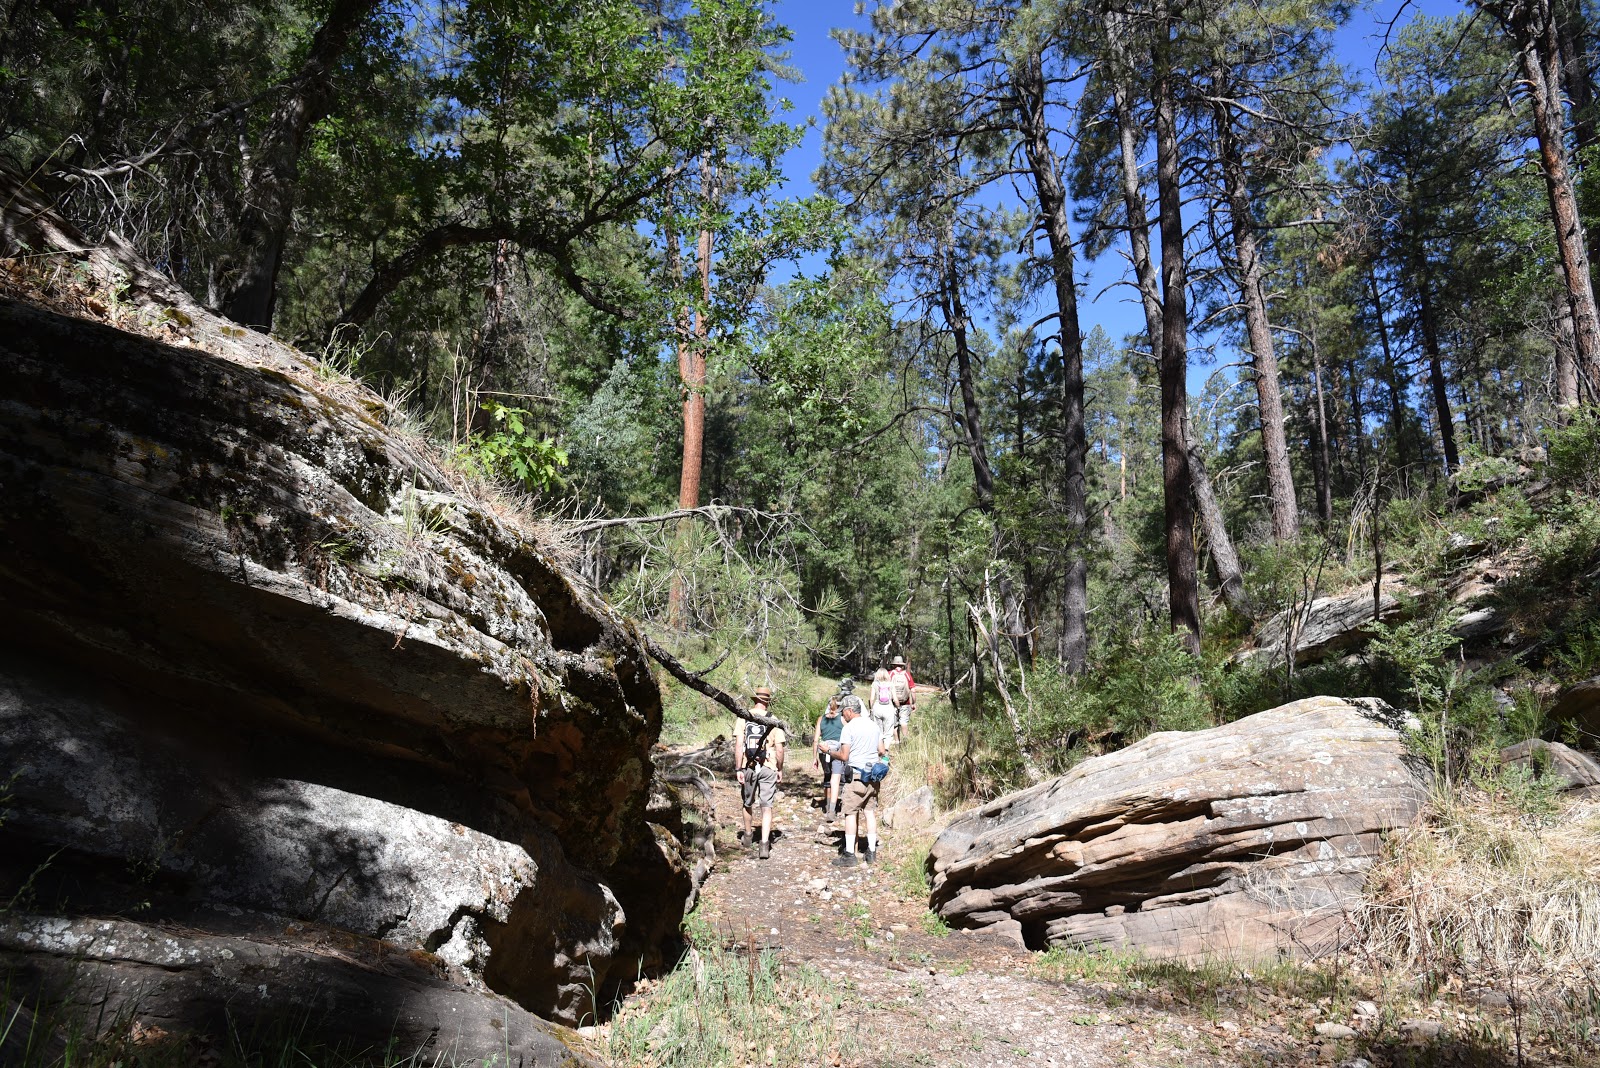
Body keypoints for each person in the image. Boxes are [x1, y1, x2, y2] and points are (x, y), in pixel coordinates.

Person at [831, 694, 885, 866]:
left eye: (843, 712)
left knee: (850, 813)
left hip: (855, 777)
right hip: (872, 777)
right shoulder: (874, 726)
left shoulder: (849, 728)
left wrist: (828, 751)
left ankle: (849, 854)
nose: (842, 715)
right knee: (869, 813)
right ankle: (871, 852)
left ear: (849, 711)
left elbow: (844, 755)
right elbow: (882, 750)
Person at [734, 686, 785, 860]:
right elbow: (779, 748)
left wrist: (738, 768)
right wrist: (780, 768)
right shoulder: (774, 720)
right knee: (766, 806)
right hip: (768, 766)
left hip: (748, 765)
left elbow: (739, 745)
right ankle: (764, 844)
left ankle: (748, 836)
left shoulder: (744, 717)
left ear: (754, 699)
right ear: (767, 701)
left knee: (747, 801)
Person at [812, 694, 844, 821]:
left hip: (823, 751)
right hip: (837, 751)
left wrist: (814, 757)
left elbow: (815, 740)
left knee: (827, 776)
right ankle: (832, 810)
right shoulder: (842, 719)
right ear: (838, 707)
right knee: (835, 779)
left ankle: (826, 804)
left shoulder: (821, 719)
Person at [888, 655, 917, 743]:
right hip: (906, 703)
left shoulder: (890, 674)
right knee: (904, 722)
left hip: (892, 703)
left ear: (894, 665)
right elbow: (913, 689)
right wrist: (914, 703)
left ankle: (897, 741)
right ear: (902, 665)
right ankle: (905, 740)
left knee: (894, 723)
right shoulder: (907, 675)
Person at [868, 667, 898, 747]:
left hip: (877, 708)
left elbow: (871, 699)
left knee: (878, 731)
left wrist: (871, 709)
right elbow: (895, 699)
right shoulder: (891, 684)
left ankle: (879, 751)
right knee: (888, 732)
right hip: (888, 708)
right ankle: (886, 752)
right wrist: (897, 707)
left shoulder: (874, 684)